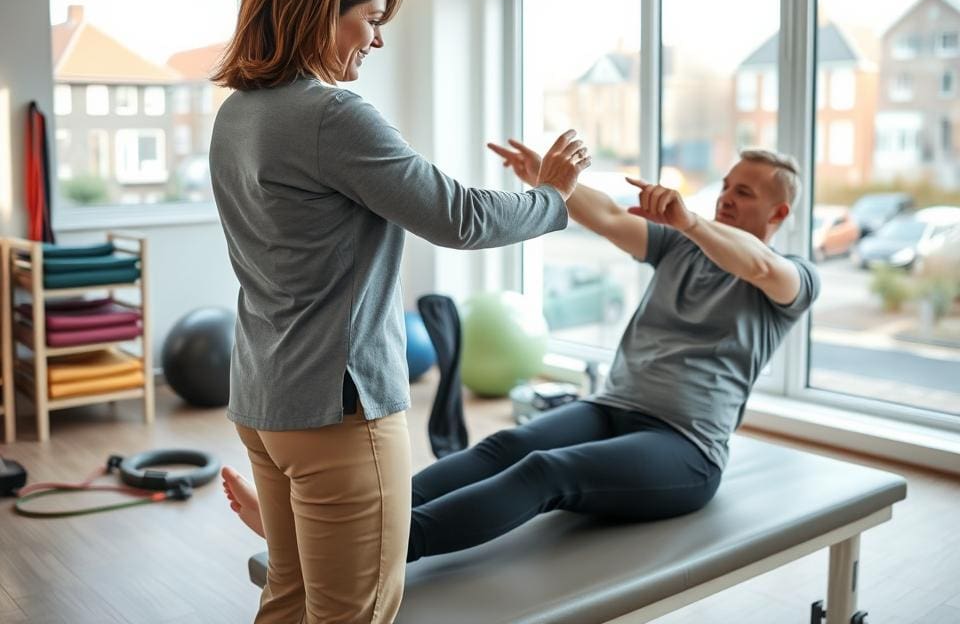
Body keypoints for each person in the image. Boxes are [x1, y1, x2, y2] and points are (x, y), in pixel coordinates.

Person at [208, 0, 591, 624]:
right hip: (338, 410)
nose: (378, 40)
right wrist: (551, 196)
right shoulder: (332, 115)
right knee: (353, 613)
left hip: (265, 401)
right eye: (370, 19)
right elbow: (459, 217)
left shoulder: (237, 113)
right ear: (320, 10)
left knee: (288, 597)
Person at [221, 140, 819, 569]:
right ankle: (326, 529)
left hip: (685, 447)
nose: (727, 198)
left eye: (744, 192)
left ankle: (353, 550)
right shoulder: (680, 248)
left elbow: (760, 265)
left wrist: (689, 221)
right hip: (614, 407)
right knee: (505, 446)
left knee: (546, 473)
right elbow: (610, 216)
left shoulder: (793, 279)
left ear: (779, 213)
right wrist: (552, 187)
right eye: (727, 186)